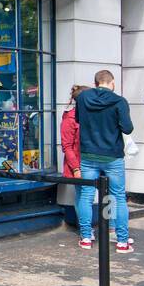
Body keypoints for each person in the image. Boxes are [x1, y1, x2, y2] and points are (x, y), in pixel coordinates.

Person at [75, 69, 135, 252]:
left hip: (88, 154)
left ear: (95, 83)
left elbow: (78, 119)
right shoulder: (119, 101)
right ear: (112, 82)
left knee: (86, 195)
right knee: (118, 196)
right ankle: (122, 241)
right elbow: (127, 128)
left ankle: (86, 237)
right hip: (112, 155)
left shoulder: (83, 98)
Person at [58, 84, 88, 228]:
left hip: (93, 161)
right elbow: (67, 147)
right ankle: (85, 231)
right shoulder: (69, 119)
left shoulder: (91, 116)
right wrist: (76, 168)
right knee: (82, 196)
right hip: (79, 163)